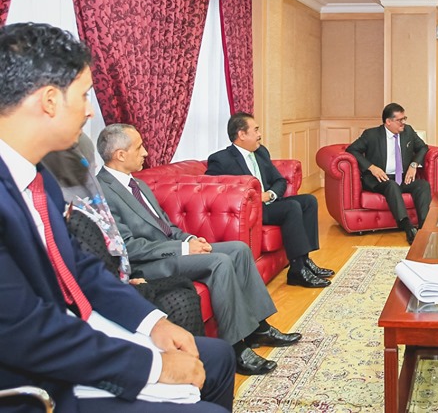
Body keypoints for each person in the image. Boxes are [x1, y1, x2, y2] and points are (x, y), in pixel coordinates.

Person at [0, 22, 233, 412]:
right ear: (50, 100)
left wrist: (153, 322)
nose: (90, 110)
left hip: (67, 337)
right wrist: (154, 367)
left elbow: (80, 268)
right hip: (33, 384)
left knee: (218, 357)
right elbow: (25, 331)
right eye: (84, 95)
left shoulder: (39, 180)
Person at [97, 123, 300, 376]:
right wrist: (183, 248)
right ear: (120, 154)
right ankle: (235, 348)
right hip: (148, 263)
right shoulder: (102, 191)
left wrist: (192, 239)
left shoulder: (138, 184)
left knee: (238, 249)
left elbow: (167, 226)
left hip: (171, 249)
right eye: (139, 147)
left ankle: (259, 328)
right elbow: (128, 247)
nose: (146, 153)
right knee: (219, 262)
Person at [43, 134, 205, 336]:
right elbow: (96, 269)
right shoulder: (75, 213)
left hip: (122, 276)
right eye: (87, 162)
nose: (94, 167)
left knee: (184, 288)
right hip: (105, 292)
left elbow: (162, 226)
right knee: (182, 294)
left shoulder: (93, 203)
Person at [206, 112, 333, 288]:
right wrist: (254, 197)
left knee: (309, 201)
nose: (259, 134)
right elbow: (214, 191)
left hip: (270, 204)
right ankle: (297, 270)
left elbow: (279, 180)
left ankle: (305, 261)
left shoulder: (261, 152)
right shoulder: (221, 159)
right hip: (250, 211)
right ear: (242, 134)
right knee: (291, 207)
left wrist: (271, 194)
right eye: (255, 130)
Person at [346, 103, 431, 244]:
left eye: (404, 119)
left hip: (403, 177)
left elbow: (423, 147)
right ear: (388, 121)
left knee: (423, 185)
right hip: (380, 179)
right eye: (399, 120)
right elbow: (352, 149)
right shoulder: (371, 134)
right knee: (391, 185)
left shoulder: (408, 131)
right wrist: (372, 167)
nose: (403, 123)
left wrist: (413, 165)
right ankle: (408, 227)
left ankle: (424, 228)